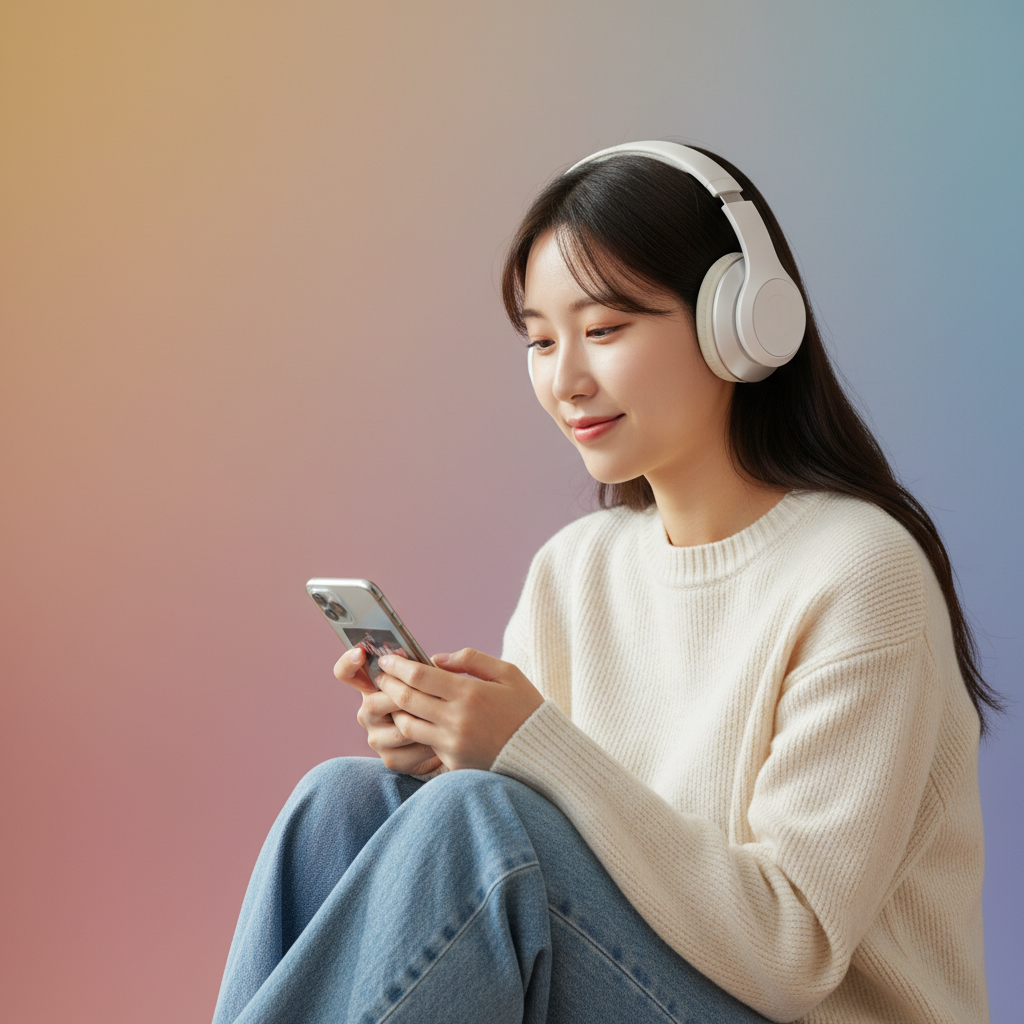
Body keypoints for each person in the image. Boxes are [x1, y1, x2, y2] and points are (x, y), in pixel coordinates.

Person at [212, 142, 997, 1024]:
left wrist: (528, 749)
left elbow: (791, 953)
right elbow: (563, 853)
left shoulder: (860, 571)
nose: (566, 379)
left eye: (606, 330)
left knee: (479, 827)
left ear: (737, 324)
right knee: (343, 803)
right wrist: (449, 752)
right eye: (541, 341)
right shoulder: (575, 568)